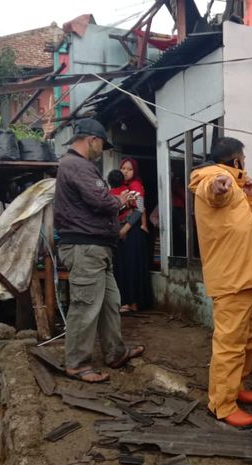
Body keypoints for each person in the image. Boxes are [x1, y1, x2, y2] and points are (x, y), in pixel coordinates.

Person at [54, 118, 144, 383]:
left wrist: (114, 201)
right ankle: (77, 364)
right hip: (85, 247)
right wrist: (118, 200)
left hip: (96, 247)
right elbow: (100, 200)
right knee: (85, 305)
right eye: (101, 145)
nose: (101, 150)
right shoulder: (77, 165)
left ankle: (115, 352)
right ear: (91, 139)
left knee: (110, 302)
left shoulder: (77, 165)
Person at [188, 137, 252, 428]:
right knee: (230, 344)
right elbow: (212, 190)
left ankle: (233, 387)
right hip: (232, 279)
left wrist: (250, 195)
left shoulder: (236, 184)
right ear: (236, 161)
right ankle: (221, 404)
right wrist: (220, 184)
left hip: (245, 276)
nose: (244, 163)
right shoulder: (212, 178)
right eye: (243, 159)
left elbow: (240, 218)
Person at [114, 157, 151, 313]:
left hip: (133, 232)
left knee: (131, 266)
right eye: (123, 168)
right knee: (124, 266)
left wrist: (124, 230)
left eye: (129, 169)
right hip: (126, 231)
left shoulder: (136, 186)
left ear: (134, 172)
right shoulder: (120, 187)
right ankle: (129, 301)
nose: (126, 172)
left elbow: (139, 209)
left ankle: (132, 302)